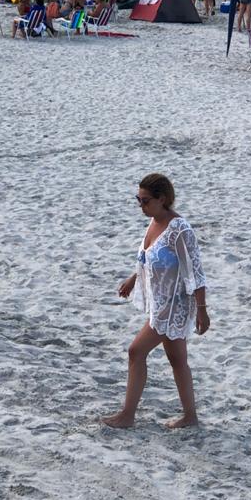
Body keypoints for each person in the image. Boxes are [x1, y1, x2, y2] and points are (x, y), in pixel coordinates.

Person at [102, 173, 208, 430]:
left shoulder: (180, 230)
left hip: (174, 305)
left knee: (135, 351)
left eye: (145, 200)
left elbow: (196, 273)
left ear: (162, 199)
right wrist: (132, 279)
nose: (141, 205)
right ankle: (190, 417)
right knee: (177, 360)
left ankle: (127, 415)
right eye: (137, 199)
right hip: (161, 302)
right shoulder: (153, 222)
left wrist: (202, 311)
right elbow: (148, 258)